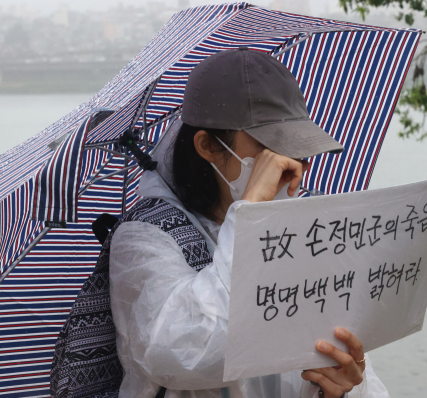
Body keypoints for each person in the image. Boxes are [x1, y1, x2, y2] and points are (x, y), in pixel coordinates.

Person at [108, 47, 390, 398]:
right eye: (270, 149)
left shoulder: (308, 235)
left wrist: (340, 388)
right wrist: (250, 214)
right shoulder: (144, 238)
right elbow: (185, 355)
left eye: (298, 151)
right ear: (208, 145)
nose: (291, 166)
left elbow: (347, 373)